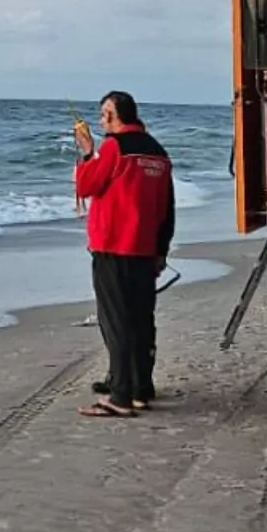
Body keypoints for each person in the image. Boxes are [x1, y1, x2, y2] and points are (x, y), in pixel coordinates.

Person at [73, 91, 175, 419]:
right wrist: (161, 250)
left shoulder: (115, 147)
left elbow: (87, 185)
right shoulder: (158, 152)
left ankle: (120, 395)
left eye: (104, 115)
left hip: (114, 246)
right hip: (145, 249)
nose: (101, 121)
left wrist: (88, 153)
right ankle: (139, 387)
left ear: (115, 116)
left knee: (116, 322)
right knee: (141, 320)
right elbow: (167, 209)